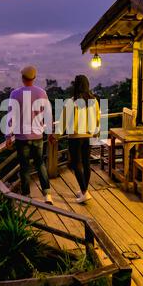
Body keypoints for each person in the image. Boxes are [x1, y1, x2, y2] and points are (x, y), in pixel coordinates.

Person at [5, 66, 53, 205]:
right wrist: (49, 133)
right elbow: (47, 114)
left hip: (21, 138)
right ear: (34, 78)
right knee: (40, 164)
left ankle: (26, 196)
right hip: (38, 136)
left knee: (24, 167)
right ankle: (47, 194)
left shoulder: (15, 94)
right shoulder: (42, 93)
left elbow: (10, 116)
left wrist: (8, 136)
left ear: (22, 78)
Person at [56, 75, 100, 203]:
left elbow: (63, 122)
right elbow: (98, 118)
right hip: (89, 135)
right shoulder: (94, 101)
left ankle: (85, 192)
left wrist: (56, 135)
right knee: (86, 163)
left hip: (75, 137)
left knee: (76, 163)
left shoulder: (71, 101)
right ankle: (84, 190)